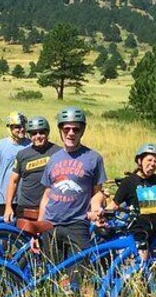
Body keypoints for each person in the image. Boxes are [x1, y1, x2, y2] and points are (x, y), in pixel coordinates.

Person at [35, 107, 106, 262]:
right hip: (50, 223)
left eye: (76, 129)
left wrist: (96, 210)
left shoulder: (94, 158)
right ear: (60, 130)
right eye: (66, 128)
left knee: (80, 273)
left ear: (82, 131)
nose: (71, 133)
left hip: (77, 224)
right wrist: (38, 227)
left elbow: (97, 193)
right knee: (53, 273)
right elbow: (47, 194)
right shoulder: (53, 159)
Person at [3, 116, 60, 223]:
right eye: (34, 133)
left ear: (47, 133)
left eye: (41, 132)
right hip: (25, 208)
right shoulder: (22, 154)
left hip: (51, 207)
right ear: (29, 135)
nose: (38, 136)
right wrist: (8, 207)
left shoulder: (58, 153)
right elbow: (13, 181)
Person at [0, 112, 31, 217]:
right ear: (10, 128)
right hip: (3, 199)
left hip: (24, 200)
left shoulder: (31, 145)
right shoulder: (0, 146)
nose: (22, 129)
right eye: (17, 127)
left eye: (23, 126)